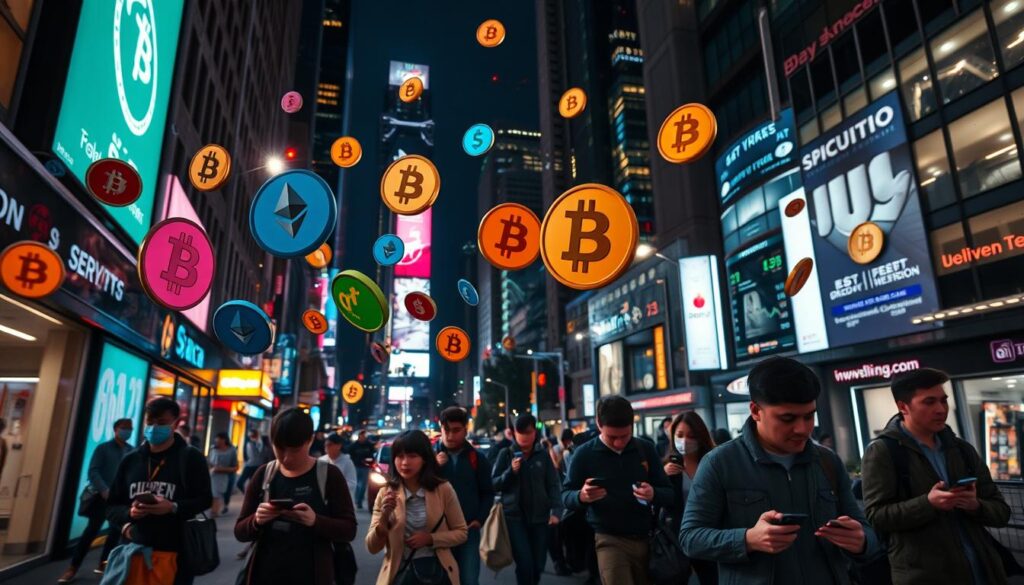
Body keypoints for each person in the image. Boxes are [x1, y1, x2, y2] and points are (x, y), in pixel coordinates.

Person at [680, 357, 880, 585]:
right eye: (787, 418)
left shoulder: (827, 461)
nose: (802, 429)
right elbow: (690, 538)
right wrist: (747, 539)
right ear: (755, 411)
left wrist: (861, 541)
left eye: (809, 416)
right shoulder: (720, 463)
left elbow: (866, 532)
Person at [862, 368, 1011, 585]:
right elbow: (877, 516)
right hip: (924, 575)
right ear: (903, 407)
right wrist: (928, 504)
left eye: (943, 400)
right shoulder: (883, 452)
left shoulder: (961, 449)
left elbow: (1001, 511)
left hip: (983, 570)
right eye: (929, 402)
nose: (941, 409)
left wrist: (975, 506)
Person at [235, 408, 357, 585]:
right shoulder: (264, 474)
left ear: (310, 440)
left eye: (294, 450)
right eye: (280, 449)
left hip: (313, 574)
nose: (286, 458)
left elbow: (349, 530)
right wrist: (256, 520)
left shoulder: (329, 475)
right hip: (265, 573)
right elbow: (240, 531)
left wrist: (315, 521)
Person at [561, 396, 673, 585]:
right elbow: (565, 496)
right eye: (612, 437)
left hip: (647, 538)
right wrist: (581, 496)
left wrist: (653, 493)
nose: (619, 443)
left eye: (625, 436)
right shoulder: (584, 454)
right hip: (608, 538)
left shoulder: (645, 448)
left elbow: (669, 494)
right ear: (598, 424)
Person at [106, 398, 212, 585]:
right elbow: (112, 505)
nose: (154, 428)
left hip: (176, 554)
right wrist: (127, 519)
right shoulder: (131, 460)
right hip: (132, 551)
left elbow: (205, 500)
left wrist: (173, 506)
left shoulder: (191, 458)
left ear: (176, 423)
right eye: (150, 423)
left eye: (161, 423)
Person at [366, 430, 468, 585]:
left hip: (435, 573)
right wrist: (384, 518)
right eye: (400, 456)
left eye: (412, 456)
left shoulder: (443, 489)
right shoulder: (385, 493)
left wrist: (430, 539)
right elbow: (372, 547)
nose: (405, 462)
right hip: (399, 574)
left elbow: (461, 532)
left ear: (425, 459)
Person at [58, 418, 134, 583]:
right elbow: (93, 471)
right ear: (115, 429)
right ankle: (73, 567)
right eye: (124, 428)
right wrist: (104, 490)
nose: (127, 431)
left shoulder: (131, 451)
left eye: (130, 428)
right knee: (90, 532)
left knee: (114, 533)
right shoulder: (103, 448)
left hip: (119, 501)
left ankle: (103, 564)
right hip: (101, 499)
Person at [492, 414, 563, 585]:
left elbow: (553, 484)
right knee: (525, 564)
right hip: (514, 518)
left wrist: (556, 511)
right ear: (514, 433)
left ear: (534, 432)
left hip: (540, 517)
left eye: (528, 432)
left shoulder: (543, 455)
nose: (524, 437)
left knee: (538, 564)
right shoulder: (506, 454)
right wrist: (511, 472)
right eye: (520, 432)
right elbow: (494, 483)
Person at [435, 407, 493, 585]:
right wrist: (433, 466)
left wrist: (479, 519)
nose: (451, 436)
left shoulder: (477, 458)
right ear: (441, 428)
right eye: (446, 430)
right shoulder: (428, 456)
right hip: (438, 531)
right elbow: (417, 488)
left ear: (465, 430)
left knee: (468, 579)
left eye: (456, 430)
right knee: (440, 579)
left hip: (468, 529)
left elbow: (488, 492)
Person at [661, 411, 717, 585]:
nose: (685, 441)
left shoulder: (712, 462)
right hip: (677, 537)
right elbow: (662, 501)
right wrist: (663, 477)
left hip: (709, 534)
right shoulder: (668, 466)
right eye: (679, 435)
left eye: (691, 436)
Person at [321, 432, 358, 508]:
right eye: (326, 445)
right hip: (325, 502)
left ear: (339, 446)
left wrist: (335, 488)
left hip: (343, 502)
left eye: (330, 445)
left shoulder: (347, 462)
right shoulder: (321, 461)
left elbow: (352, 482)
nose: (327, 447)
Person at [208, 432, 238, 516]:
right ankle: (214, 511)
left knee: (222, 493)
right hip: (213, 475)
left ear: (224, 439)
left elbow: (235, 466)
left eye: (218, 438)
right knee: (214, 494)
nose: (216, 440)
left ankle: (219, 508)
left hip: (226, 475)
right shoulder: (213, 449)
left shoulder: (231, 450)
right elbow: (209, 462)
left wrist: (222, 469)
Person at [348, 430, 376, 509]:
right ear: (359, 436)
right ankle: (357, 499)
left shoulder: (369, 445)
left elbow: (372, 454)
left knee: (363, 485)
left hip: (365, 467)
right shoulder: (354, 445)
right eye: (361, 436)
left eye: (364, 436)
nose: (363, 438)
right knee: (357, 484)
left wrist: (370, 462)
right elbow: (350, 455)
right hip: (356, 466)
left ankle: (359, 500)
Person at [237, 429, 268, 494]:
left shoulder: (264, 442)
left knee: (255, 485)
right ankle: (247, 495)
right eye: (250, 436)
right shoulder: (248, 442)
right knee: (240, 483)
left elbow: (266, 454)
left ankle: (253, 497)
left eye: (253, 435)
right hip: (250, 465)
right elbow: (246, 453)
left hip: (259, 466)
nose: (251, 437)